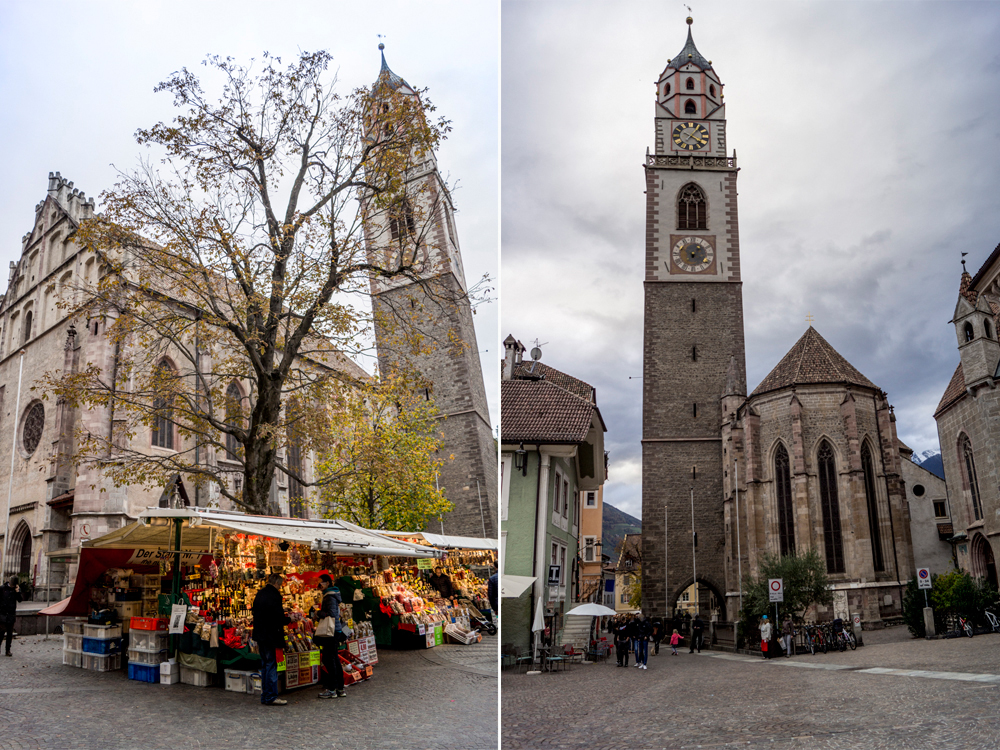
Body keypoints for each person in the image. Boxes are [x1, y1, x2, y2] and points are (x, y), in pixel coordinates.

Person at [252, 573, 291, 706]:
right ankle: (271, 696)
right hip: (271, 635)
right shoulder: (275, 596)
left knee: (265, 665)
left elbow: (257, 613)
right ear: (276, 584)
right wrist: (289, 619)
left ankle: (265, 695)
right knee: (271, 665)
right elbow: (278, 618)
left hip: (260, 635)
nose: (280, 588)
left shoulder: (260, 593)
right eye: (280, 585)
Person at [313, 574, 347, 700]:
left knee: (329, 659)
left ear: (327, 583)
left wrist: (318, 613)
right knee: (334, 659)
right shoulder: (333, 594)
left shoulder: (329, 596)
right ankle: (340, 688)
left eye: (320, 583)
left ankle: (332, 689)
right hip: (335, 630)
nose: (319, 585)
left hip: (331, 632)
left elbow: (331, 614)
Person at [0, 576, 21, 657]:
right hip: (2, 613)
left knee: (9, 633)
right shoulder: (2, 588)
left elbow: (20, 600)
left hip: (11, 614)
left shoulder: (16, 589)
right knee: (1, 632)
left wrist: (17, 592)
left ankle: (8, 650)